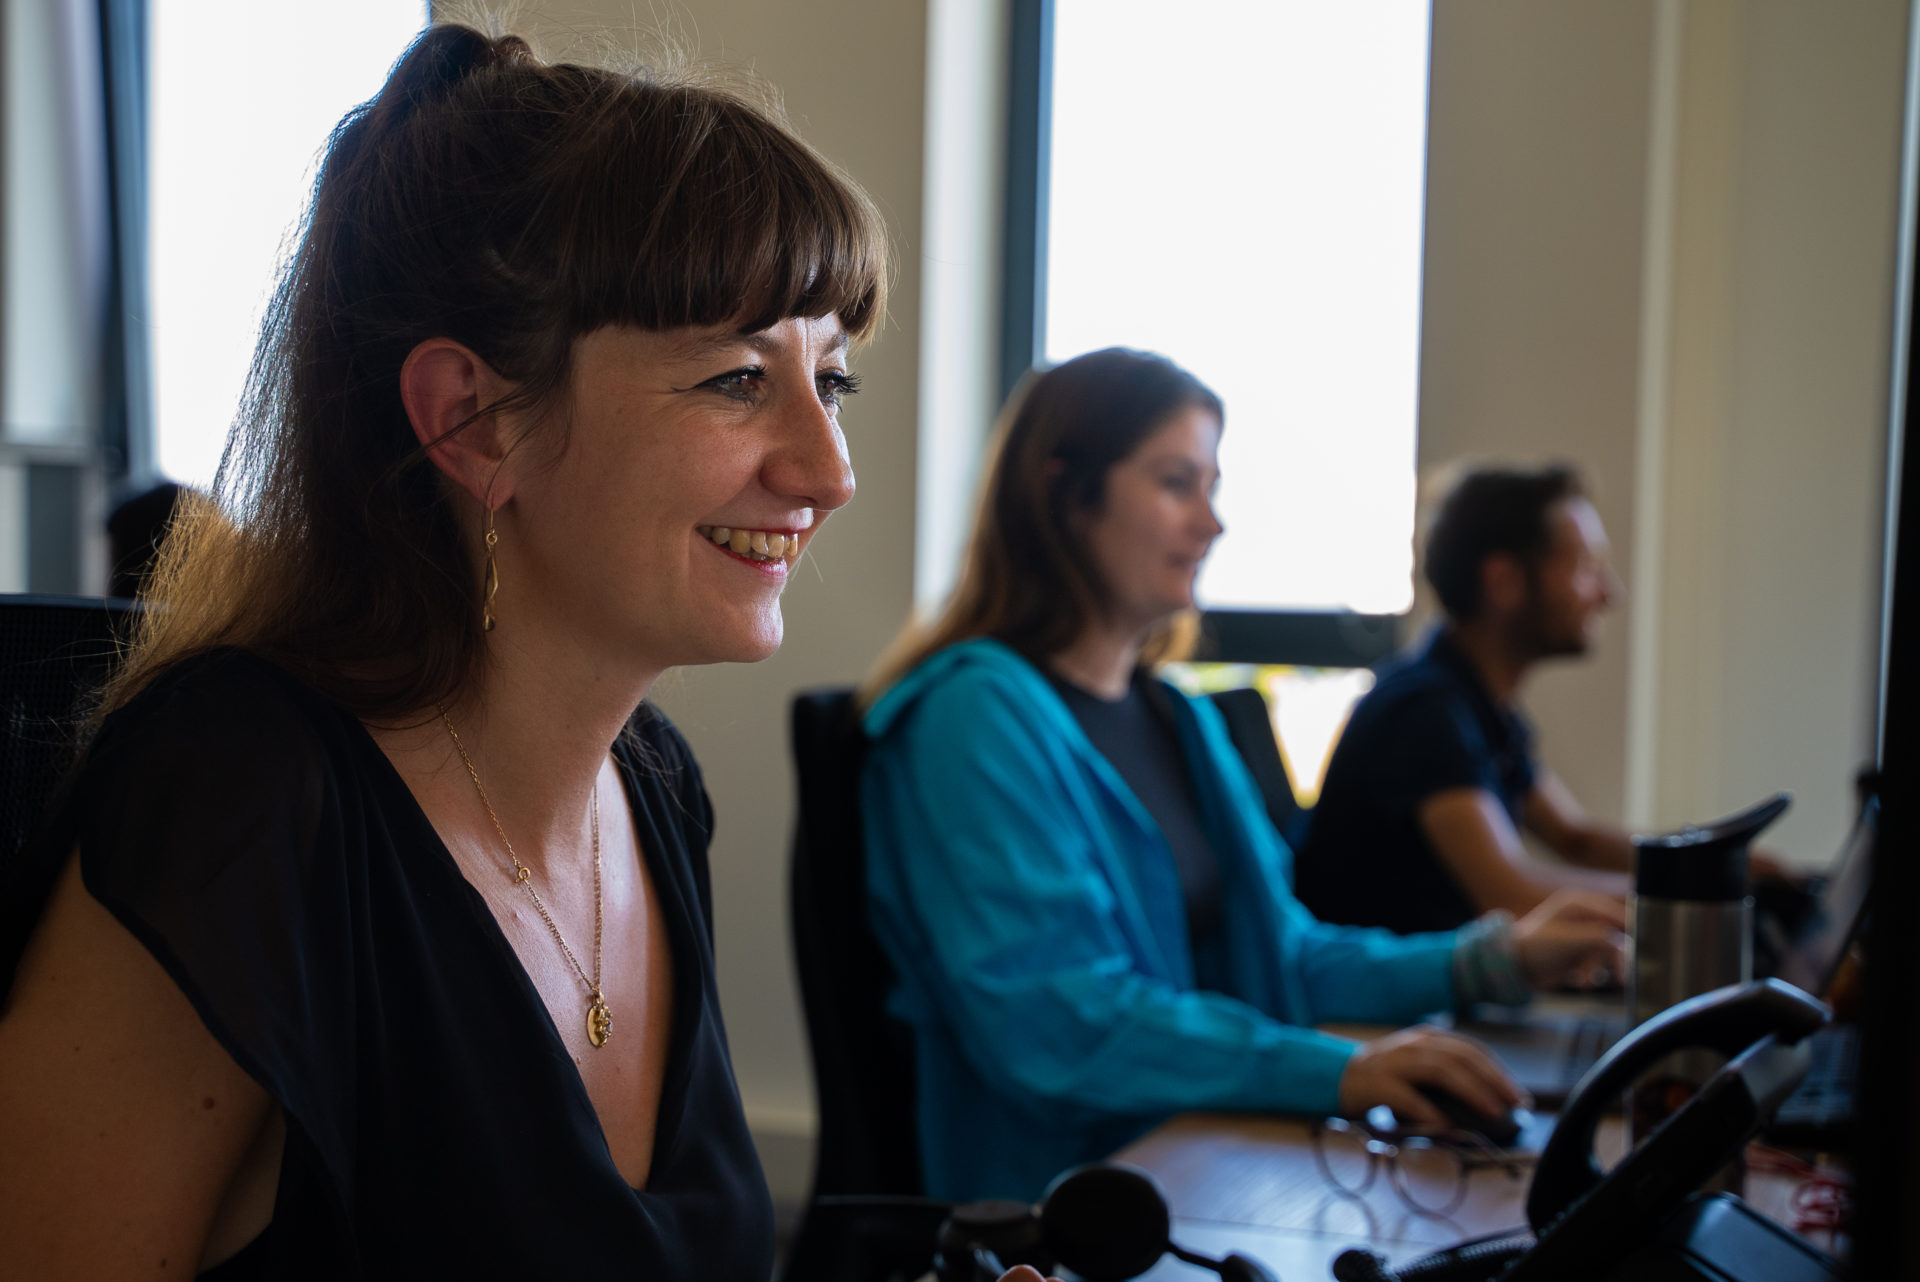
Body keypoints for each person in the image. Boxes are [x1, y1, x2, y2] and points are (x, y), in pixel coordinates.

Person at [0, 24, 888, 1278]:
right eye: (739, 379)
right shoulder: (245, 799)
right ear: (471, 422)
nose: (826, 472)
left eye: (830, 381)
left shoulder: (654, 785)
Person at [858, 349, 1627, 1203]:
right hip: (1071, 1206)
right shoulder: (973, 719)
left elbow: (1288, 957)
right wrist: (1342, 1070)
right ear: (1065, 495)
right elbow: (1061, 1023)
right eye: (1176, 483)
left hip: (1206, 1158)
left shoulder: (1178, 717)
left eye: (1210, 487)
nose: (1211, 524)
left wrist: (1497, 961)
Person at [1293, 465, 1637, 936]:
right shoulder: (1423, 714)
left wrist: (1721, 867)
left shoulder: (1477, 706)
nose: (1607, 593)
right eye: (1583, 568)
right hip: (1378, 1006)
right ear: (1503, 582)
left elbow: (1574, 837)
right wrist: (1697, 902)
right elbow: (1511, 895)